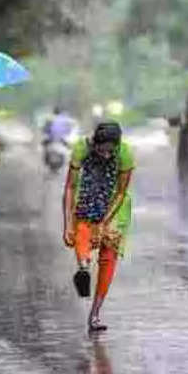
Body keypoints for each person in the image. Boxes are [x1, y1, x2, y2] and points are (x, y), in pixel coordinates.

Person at [62, 120, 135, 332]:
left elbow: (121, 192)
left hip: (115, 204)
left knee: (108, 255)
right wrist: (67, 224)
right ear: (94, 143)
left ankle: (95, 313)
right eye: (101, 150)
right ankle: (83, 267)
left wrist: (103, 224)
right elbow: (70, 187)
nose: (105, 155)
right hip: (87, 197)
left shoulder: (125, 154)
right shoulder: (81, 148)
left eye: (109, 151)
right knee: (81, 232)